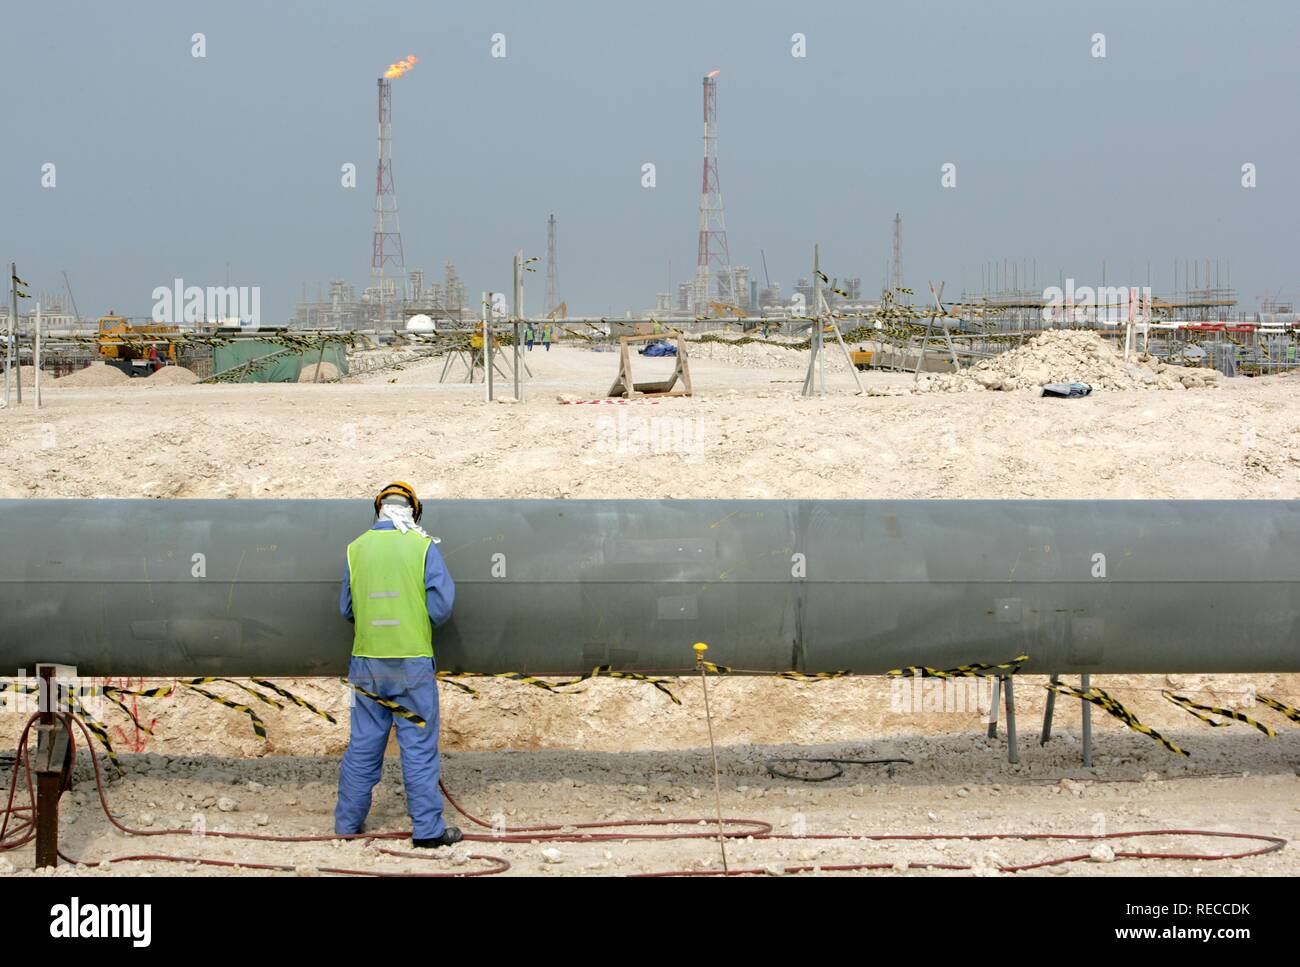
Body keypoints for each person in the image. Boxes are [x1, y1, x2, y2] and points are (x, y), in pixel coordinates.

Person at [336, 481, 460, 848]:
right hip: (411, 666)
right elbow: (442, 607)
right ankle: (427, 832)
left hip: (366, 666)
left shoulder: (355, 549)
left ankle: (347, 826)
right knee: (418, 746)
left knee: (362, 745)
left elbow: (346, 609)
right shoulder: (422, 547)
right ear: (414, 511)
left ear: (377, 510)